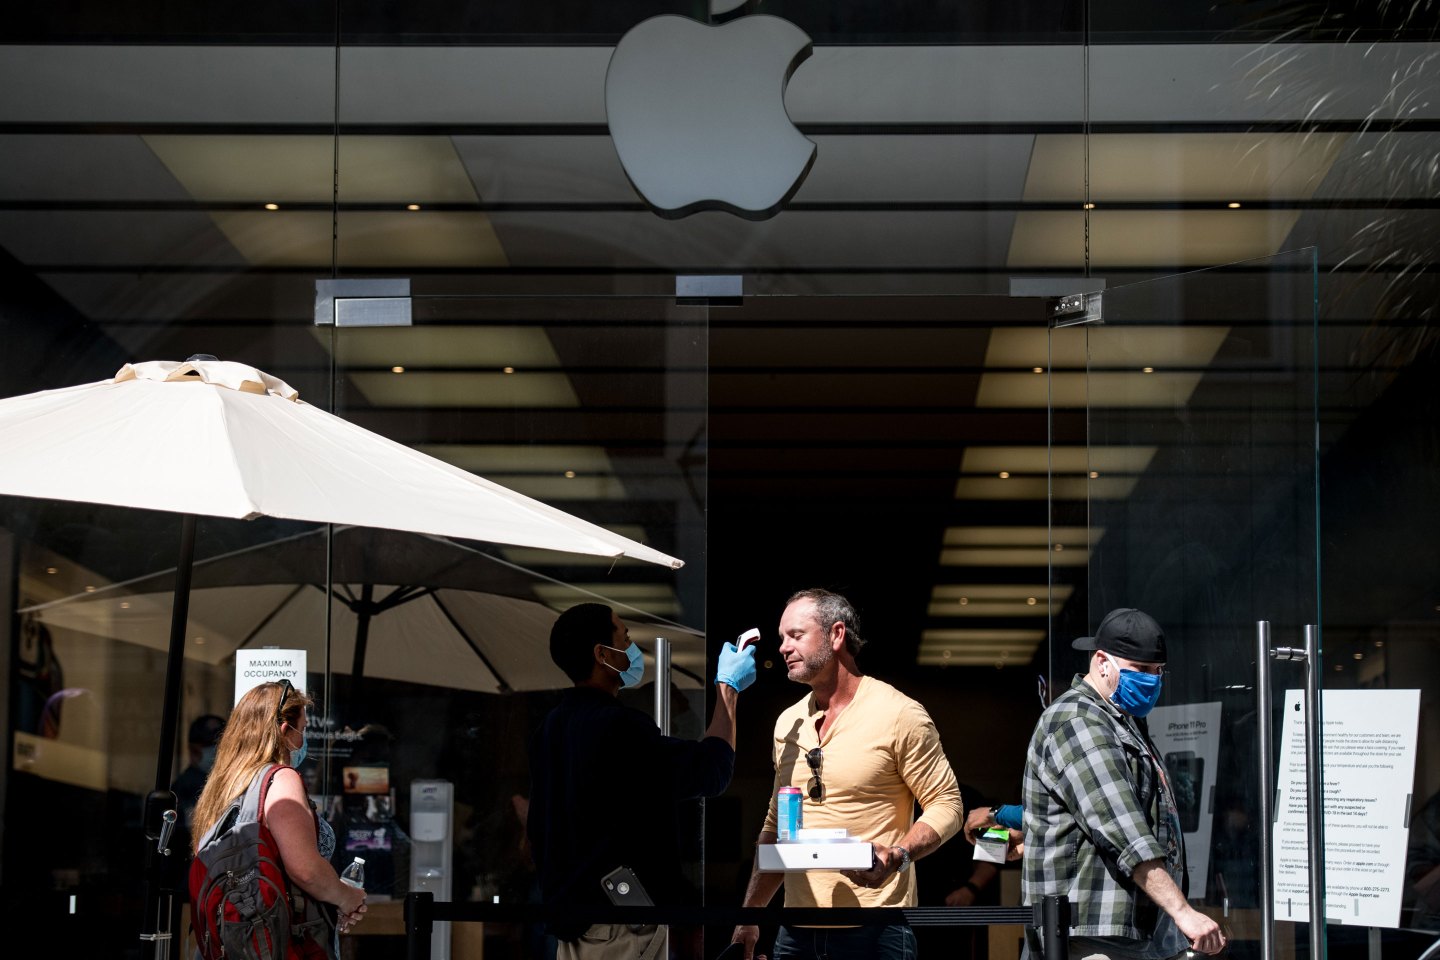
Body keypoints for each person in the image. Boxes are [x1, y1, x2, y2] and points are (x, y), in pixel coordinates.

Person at [731, 588, 965, 960]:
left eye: (796, 635)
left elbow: (948, 804)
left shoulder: (900, 713)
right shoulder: (787, 723)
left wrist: (898, 855)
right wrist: (749, 917)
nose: (783, 648)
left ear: (836, 635)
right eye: (781, 638)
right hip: (794, 935)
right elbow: (777, 826)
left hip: (877, 931)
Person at [527, 602, 757, 960]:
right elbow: (711, 771)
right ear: (602, 654)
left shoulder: (550, 728)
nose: (633, 648)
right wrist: (727, 690)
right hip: (619, 929)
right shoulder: (619, 727)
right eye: (625, 637)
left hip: (570, 929)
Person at [1022, 608, 1225, 960]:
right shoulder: (1078, 721)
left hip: (1127, 935)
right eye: (1142, 671)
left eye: (1158, 672)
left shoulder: (1118, 721)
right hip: (1091, 938)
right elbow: (1124, 830)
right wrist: (1182, 912)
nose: (1153, 681)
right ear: (1102, 662)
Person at [191, 680, 367, 955]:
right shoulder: (281, 779)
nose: (303, 740)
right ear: (285, 731)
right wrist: (347, 897)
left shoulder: (223, 787)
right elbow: (305, 870)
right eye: (304, 730)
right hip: (283, 942)